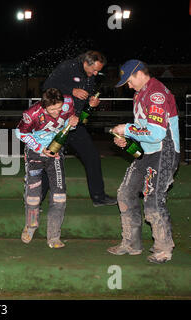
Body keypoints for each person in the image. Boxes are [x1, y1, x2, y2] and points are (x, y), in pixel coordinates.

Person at [107, 60, 180, 264]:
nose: (128, 86)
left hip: (163, 151)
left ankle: (163, 249)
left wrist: (127, 129)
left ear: (139, 73)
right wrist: (127, 140)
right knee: (125, 193)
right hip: (147, 153)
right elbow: (145, 130)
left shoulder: (156, 93)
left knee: (153, 200)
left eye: (129, 81)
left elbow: (157, 133)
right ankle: (131, 243)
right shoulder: (140, 94)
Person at [42, 51, 116, 207]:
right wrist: (71, 90)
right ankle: (36, 200)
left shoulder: (91, 77)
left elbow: (84, 103)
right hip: (58, 124)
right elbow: (47, 86)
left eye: (98, 71)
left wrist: (91, 104)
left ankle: (99, 197)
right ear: (86, 62)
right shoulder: (67, 67)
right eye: (94, 70)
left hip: (75, 125)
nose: (95, 73)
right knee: (49, 161)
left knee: (93, 157)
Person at [15, 88, 79, 248]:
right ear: (44, 107)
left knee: (59, 196)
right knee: (33, 196)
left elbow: (68, 122)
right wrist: (38, 147)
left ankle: (54, 236)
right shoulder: (32, 114)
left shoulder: (68, 103)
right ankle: (30, 226)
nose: (57, 112)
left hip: (56, 152)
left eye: (59, 108)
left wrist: (73, 123)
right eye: (52, 110)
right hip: (35, 153)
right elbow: (19, 133)